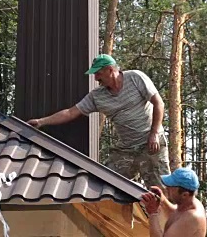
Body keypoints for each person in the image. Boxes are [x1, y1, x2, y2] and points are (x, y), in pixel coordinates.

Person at [27, 54, 170, 187]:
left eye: (98, 73)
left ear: (110, 70)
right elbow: (71, 112)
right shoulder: (97, 96)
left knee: (160, 192)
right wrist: (41, 121)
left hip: (151, 144)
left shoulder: (136, 78)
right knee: (104, 183)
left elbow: (159, 104)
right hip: (126, 149)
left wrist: (154, 133)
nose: (96, 78)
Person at [141, 168, 207, 237]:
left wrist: (152, 213)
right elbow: (176, 213)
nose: (167, 188)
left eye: (171, 187)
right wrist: (162, 199)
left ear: (185, 194)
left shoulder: (191, 219)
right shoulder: (191, 203)